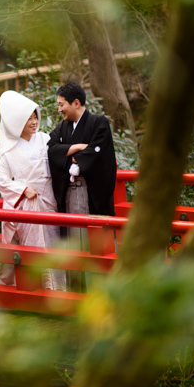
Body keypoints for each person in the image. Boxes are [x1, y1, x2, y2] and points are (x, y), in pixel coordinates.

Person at [47, 82, 117, 292]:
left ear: (76, 103)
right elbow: (51, 150)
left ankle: (98, 294)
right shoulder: (62, 128)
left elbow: (99, 154)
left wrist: (74, 161)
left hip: (88, 193)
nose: (59, 110)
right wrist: (76, 148)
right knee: (73, 244)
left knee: (89, 243)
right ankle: (77, 292)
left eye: (62, 104)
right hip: (69, 193)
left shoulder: (99, 123)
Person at [0, 91, 66, 291]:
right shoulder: (9, 151)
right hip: (28, 206)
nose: (34, 121)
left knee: (54, 246)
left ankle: (59, 291)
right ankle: (36, 293)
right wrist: (22, 189)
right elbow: (1, 178)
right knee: (34, 251)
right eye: (28, 118)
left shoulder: (45, 140)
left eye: (35, 116)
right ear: (17, 122)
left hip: (49, 200)